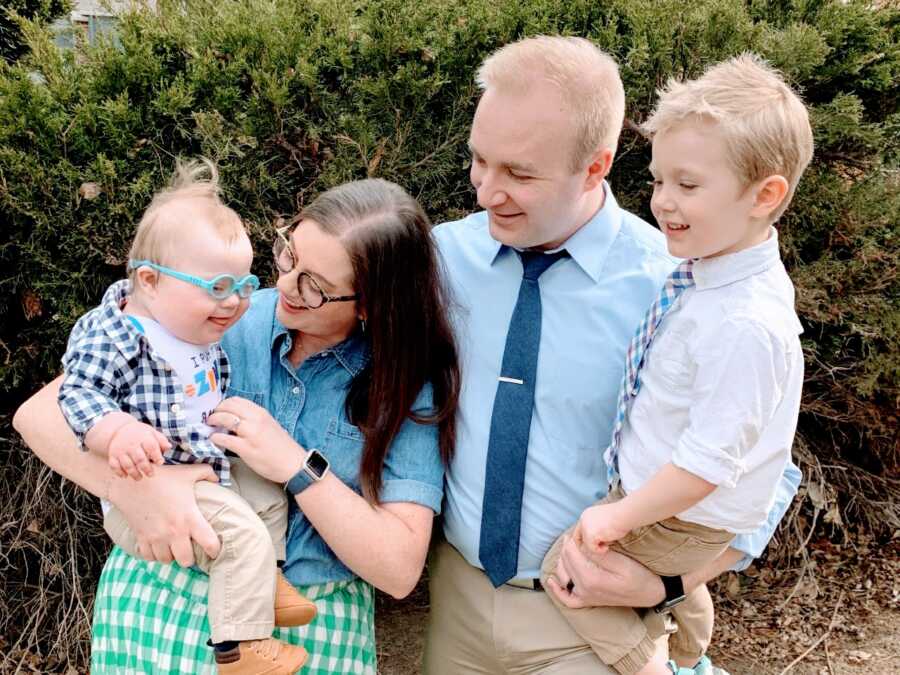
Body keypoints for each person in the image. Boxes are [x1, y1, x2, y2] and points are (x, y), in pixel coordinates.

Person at [424, 36, 802, 674]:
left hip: (590, 622)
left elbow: (767, 471)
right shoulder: (439, 259)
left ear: (595, 167)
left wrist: (669, 587)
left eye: (518, 173)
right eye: (479, 161)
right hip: (455, 600)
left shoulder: (676, 283)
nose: (487, 191)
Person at [14, 177, 460, 674]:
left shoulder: (402, 382)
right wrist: (147, 488)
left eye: (316, 286)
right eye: (289, 254)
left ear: (369, 306)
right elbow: (40, 415)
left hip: (311, 627)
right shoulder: (219, 314)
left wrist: (296, 465)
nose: (285, 286)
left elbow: (398, 570)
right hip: (162, 598)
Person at [539, 54, 814, 675]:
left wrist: (617, 514)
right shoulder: (709, 275)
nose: (663, 202)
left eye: (687, 185)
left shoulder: (744, 321)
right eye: (660, 180)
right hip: (671, 501)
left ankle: (658, 663)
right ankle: (691, 636)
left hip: (683, 511)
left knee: (567, 567)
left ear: (764, 195)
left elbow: (708, 462)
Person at [57, 158, 316, 673]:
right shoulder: (116, 332)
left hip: (204, 469)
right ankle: (239, 650)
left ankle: (266, 583)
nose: (238, 303)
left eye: (245, 285)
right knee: (239, 533)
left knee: (269, 490)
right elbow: (78, 393)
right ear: (149, 281)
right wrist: (118, 431)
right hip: (152, 492)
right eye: (219, 287)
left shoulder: (191, 327)